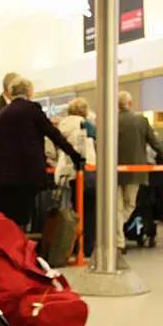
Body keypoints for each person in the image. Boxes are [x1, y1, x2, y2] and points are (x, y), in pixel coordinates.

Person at [0, 78, 83, 228]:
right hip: (27, 173)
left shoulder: (0, 114)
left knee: (8, 218)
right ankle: (21, 247)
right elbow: (53, 134)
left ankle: (10, 246)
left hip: (3, 176)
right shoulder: (32, 110)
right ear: (30, 92)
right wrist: (74, 155)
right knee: (23, 215)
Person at [118, 91, 163, 251]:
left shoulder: (111, 121)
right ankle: (115, 235)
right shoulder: (141, 121)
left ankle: (117, 239)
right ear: (129, 104)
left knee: (116, 207)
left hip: (113, 173)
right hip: (135, 172)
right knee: (130, 205)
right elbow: (157, 144)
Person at [54, 98, 96, 257]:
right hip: (85, 170)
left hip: (66, 172)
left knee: (73, 211)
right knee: (89, 210)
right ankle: (86, 247)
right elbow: (88, 149)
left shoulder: (62, 126)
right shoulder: (85, 125)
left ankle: (71, 245)